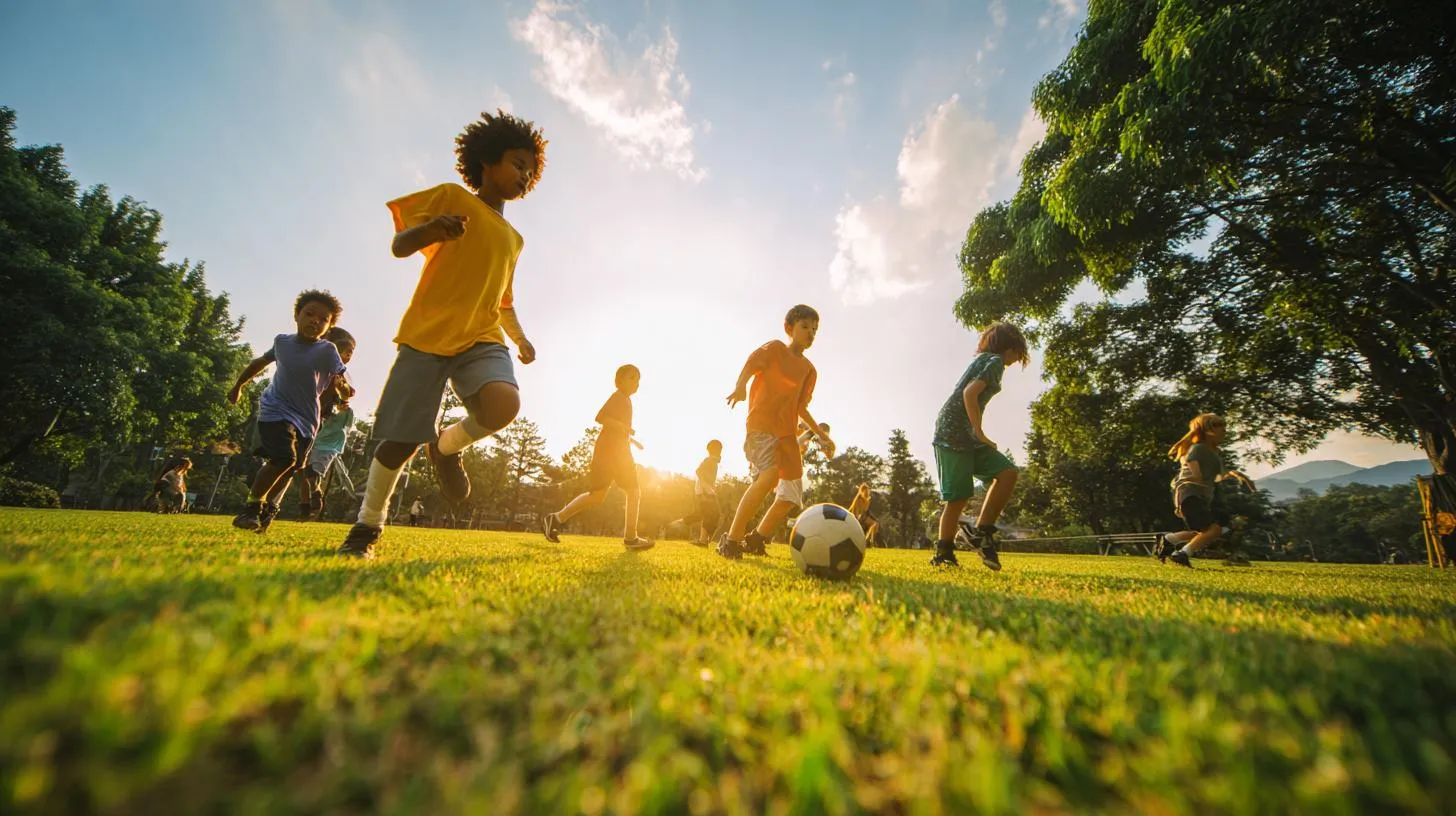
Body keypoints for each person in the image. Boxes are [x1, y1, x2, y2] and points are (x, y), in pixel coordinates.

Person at [339, 110, 547, 558]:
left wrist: (520, 338)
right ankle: (367, 527)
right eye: (516, 163)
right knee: (401, 439)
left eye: (530, 169)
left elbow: (503, 300)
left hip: (483, 336)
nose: (524, 174)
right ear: (488, 161)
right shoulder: (453, 196)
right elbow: (400, 245)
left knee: (503, 403)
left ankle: (447, 447)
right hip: (427, 335)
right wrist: (433, 229)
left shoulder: (515, 239)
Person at [717, 305, 834, 559]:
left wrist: (821, 436)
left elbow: (801, 406)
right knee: (769, 476)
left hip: (786, 435)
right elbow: (751, 363)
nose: (811, 333)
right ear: (789, 328)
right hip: (761, 426)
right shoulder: (775, 349)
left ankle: (756, 539)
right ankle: (731, 540)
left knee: (791, 495)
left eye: (815, 330)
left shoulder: (809, 371)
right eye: (805, 327)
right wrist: (740, 386)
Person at [228, 290, 349, 533]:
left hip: (307, 419)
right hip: (275, 409)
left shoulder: (327, 350)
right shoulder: (282, 342)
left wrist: (343, 389)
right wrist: (238, 385)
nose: (315, 320)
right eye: (309, 314)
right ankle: (251, 508)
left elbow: (342, 384)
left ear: (329, 326)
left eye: (324, 319)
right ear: (297, 315)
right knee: (284, 458)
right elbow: (259, 363)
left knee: (291, 468)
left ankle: (267, 509)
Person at [928, 322, 1030, 571]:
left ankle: (981, 532)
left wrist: (975, 432)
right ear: (1010, 347)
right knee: (958, 497)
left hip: (966, 434)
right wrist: (979, 431)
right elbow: (969, 394)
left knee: (1007, 472)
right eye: (1018, 353)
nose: (1016, 360)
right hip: (952, 433)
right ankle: (944, 553)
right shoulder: (994, 362)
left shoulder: (987, 359)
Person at [542, 365, 654, 550]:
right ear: (619, 381)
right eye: (632, 378)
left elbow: (615, 429)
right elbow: (601, 417)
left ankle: (556, 518)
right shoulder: (618, 396)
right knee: (632, 491)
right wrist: (623, 429)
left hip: (615, 451)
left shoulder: (625, 400)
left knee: (598, 496)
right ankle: (630, 538)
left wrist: (631, 439)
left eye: (638, 379)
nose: (636, 382)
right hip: (612, 453)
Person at [1155, 413, 1254, 568]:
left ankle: (1169, 539)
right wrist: (1180, 500)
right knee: (1213, 530)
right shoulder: (1198, 449)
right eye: (1220, 428)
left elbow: (1217, 478)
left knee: (1203, 534)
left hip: (1199, 497)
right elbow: (1186, 475)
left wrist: (1236, 474)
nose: (1224, 432)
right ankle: (1182, 554)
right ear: (1208, 430)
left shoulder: (1214, 453)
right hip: (1189, 495)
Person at [298, 327, 357, 520]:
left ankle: (309, 503)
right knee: (299, 469)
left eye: (351, 352)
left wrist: (342, 395)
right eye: (345, 351)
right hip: (306, 422)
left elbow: (347, 394)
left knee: (307, 470)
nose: (348, 355)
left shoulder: (340, 376)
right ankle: (306, 505)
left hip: (321, 430)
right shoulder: (317, 368)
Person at [674, 440, 723, 546]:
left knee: (704, 514)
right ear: (714, 450)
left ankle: (683, 524)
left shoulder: (712, 461)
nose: (720, 452)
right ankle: (702, 540)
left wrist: (711, 488)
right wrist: (707, 489)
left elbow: (707, 477)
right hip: (704, 492)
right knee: (711, 515)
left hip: (705, 491)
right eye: (719, 449)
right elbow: (698, 472)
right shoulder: (709, 460)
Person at [846, 482, 880, 546]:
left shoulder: (867, 500)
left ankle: (869, 541)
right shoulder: (859, 500)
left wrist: (867, 502)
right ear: (862, 491)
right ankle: (867, 541)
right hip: (856, 518)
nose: (867, 493)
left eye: (867, 491)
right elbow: (855, 512)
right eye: (865, 491)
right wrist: (857, 520)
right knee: (874, 524)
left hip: (863, 517)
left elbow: (866, 511)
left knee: (876, 524)